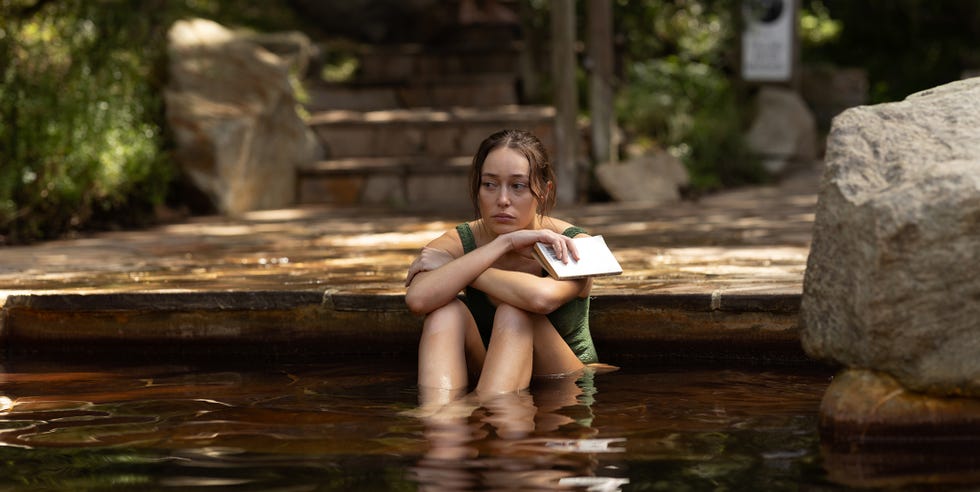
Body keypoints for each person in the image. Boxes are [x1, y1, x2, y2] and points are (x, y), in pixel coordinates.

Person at [404, 129, 601, 404]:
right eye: (490, 184)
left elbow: (540, 299)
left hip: (564, 387)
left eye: (518, 186)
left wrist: (463, 269)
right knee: (444, 313)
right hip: (492, 374)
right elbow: (418, 299)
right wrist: (504, 244)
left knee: (514, 312)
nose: (502, 199)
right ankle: (442, 418)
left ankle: (485, 408)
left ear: (544, 192)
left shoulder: (575, 243)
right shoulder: (459, 241)